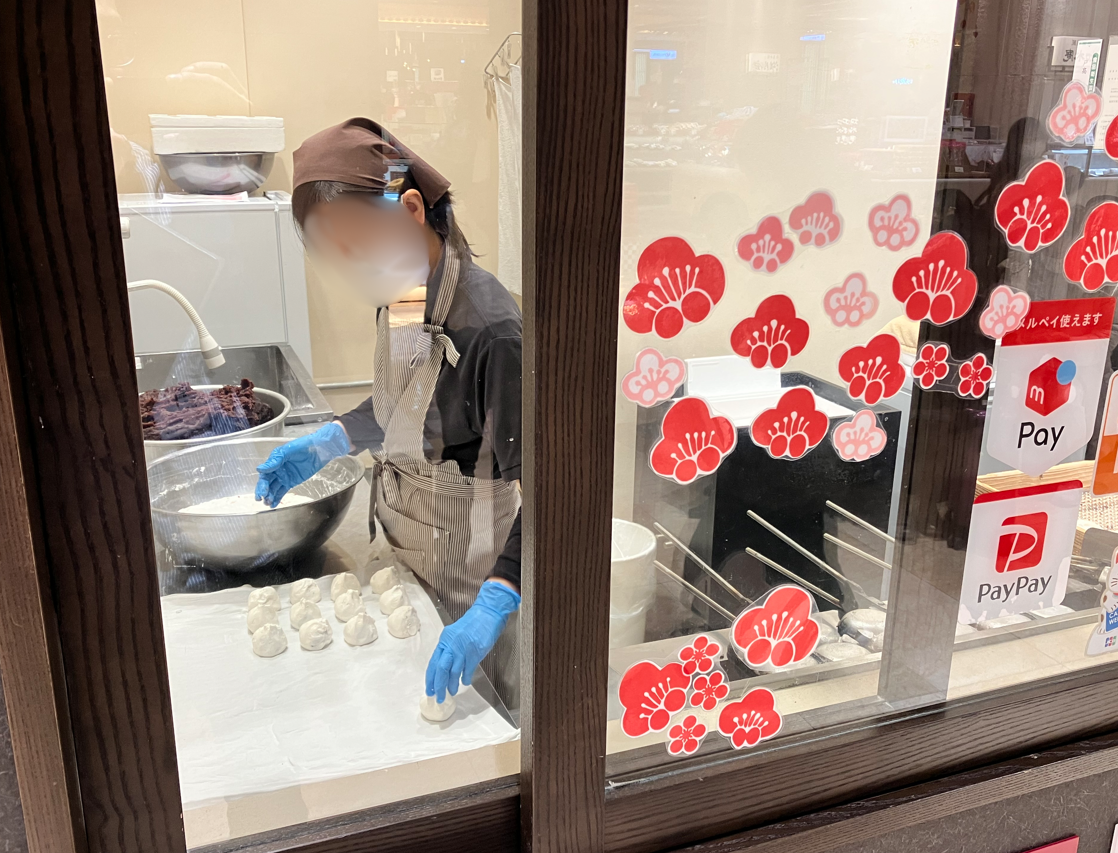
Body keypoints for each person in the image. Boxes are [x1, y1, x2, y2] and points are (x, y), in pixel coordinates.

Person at [254, 118, 523, 707]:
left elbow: (550, 493)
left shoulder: (492, 332)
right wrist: (332, 439)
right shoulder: (402, 297)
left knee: (483, 717)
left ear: (410, 210)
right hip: (408, 547)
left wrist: (498, 598)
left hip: (477, 567)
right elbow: (405, 405)